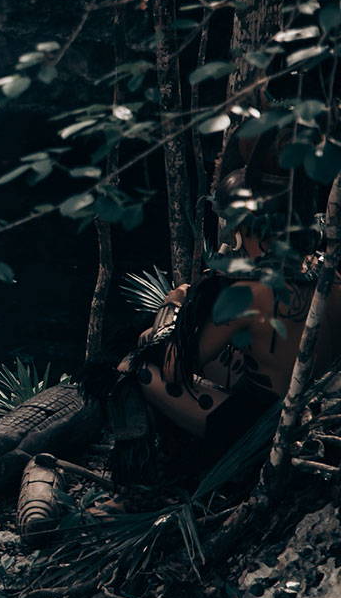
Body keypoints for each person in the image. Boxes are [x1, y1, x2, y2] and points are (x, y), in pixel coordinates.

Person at [120, 131, 341, 470]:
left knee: (137, 368)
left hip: (260, 432)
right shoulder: (328, 277)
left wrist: (173, 306)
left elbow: (174, 367)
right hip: (309, 412)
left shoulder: (248, 294)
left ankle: (138, 480)